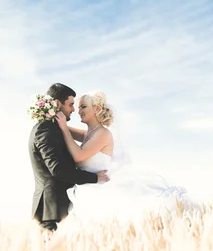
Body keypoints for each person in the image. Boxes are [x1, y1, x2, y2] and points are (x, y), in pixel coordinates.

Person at [55, 90, 202, 225]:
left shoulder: (103, 134)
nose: (78, 111)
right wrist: (50, 117)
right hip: (88, 185)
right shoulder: (89, 133)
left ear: (97, 109)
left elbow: (78, 155)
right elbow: (69, 132)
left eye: (83, 107)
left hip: (99, 186)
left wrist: (62, 126)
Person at [29, 83, 110, 232]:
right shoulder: (46, 129)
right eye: (72, 105)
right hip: (51, 208)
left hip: (66, 204)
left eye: (81, 107)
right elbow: (58, 169)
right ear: (58, 104)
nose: (75, 110)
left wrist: (62, 125)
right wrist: (95, 178)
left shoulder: (56, 128)